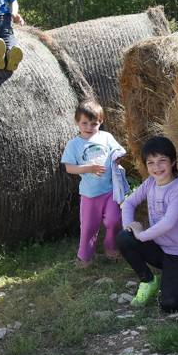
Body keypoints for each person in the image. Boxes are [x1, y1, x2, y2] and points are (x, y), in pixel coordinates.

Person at [117, 136, 178, 313]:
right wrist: (129, 226)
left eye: (162, 161)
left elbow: (168, 223)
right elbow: (129, 203)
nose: (156, 167)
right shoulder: (150, 183)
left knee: (168, 305)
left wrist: (141, 235)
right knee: (124, 237)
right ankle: (148, 280)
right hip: (160, 249)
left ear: (173, 162)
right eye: (151, 162)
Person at [61, 100, 126, 267]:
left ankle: (111, 248)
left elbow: (118, 150)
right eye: (84, 123)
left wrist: (118, 157)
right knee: (89, 227)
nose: (89, 127)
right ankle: (85, 256)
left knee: (114, 220)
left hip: (110, 190)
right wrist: (88, 168)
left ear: (101, 122)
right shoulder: (74, 145)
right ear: (77, 122)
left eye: (94, 123)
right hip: (89, 194)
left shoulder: (106, 137)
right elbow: (69, 168)